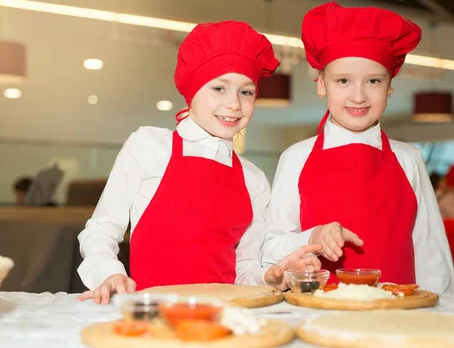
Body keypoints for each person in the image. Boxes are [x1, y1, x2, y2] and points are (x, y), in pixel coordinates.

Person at [77, 21, 321, 305]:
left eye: (246, 92)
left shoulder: (253, 178)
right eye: (219, 88)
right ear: (191, 91)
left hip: (224, 315)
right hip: (153, 312)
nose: (234, 104)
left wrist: (270, 277)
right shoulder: (149, 145)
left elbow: (243, 268)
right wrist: (108, 273)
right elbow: (101, 230)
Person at [262, 2, 454, 293]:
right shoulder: (295, 157)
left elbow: (430, 250)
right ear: (321, 85)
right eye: (343, 81)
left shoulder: (409, 158)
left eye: (374, 81)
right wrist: (313, 236)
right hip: (317, 313)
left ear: (390, 86)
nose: (358, 96)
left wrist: (444, 310)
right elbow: (272, 250)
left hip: (398, 317)